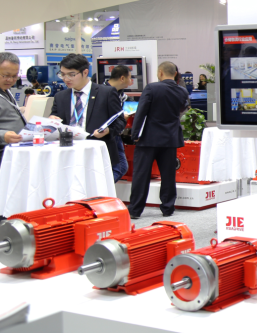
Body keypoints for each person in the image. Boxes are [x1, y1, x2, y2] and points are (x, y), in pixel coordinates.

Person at [128, 61, 189, 219]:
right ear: (175, 73)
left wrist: (134, 135)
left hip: (148, 139)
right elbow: (182, 109)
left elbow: (141, 112)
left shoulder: (151, 88)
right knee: (168, 175)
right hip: (170, 138)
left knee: (141, 175)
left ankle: (135, 210)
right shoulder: (182, 91)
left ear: (160, 72)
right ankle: (168, 208)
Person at [49, 54, 125, 177]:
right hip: (68, 154)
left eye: (71, 74)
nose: (66, 79)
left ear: (85, 72)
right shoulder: (60, 96)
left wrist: (108, 131)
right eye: (62, 74)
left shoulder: (106, 93)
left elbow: (120, 122)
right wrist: (52, 120)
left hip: (96, 153)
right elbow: (55, 118)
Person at [105, 65, 133, 182]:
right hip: (107, 134)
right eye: (129, 78)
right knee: (119, 168)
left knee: (120, 168)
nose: (130, 81)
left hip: (116, 133)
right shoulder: (102, 92)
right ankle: (102, 189)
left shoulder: (122, 95)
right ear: (122, 78)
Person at [0, 52, 26, 163]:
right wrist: (3, 136)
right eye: (6, 75)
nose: (10, 80)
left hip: (13, 152)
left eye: (14, 76)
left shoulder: (6, 90)